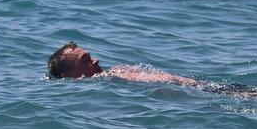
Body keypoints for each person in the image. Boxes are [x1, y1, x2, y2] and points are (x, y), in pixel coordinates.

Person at [47, 42, 198, 86]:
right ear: (67, 76)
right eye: (85, 59)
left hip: (199, 88)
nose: (96, 60)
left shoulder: (112, 75)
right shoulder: (110, 78)